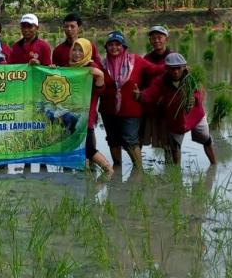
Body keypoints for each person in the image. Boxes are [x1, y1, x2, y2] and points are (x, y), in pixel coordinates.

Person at [134, 53, 216, 165]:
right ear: (167, 68)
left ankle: (214, 165)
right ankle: (176, 175)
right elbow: (151, 93)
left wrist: (194, 98)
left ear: (184, 67)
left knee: (206, 139)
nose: (176, 72)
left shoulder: (192, 77)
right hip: (176, 119)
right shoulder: (161, 81)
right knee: (174, 147)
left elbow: (200, 92)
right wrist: (139, 95)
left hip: (196, 116)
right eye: (172, 69)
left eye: (178, 68)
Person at [99, 31, 162, 168]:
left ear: (124, 47)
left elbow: (155, 70)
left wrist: (175, 66)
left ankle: (138, 171)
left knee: (130, 140)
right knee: (113, 140)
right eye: (110, 45)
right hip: (108, 110)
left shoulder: (135, 60)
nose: (114, 47)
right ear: (106, 47)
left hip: (131, 109)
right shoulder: (101, 65)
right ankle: (117, 167)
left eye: (117, 44)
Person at [69, 38, 113, 174]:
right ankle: (87, 176)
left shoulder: (92, 67)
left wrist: (99, 76)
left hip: (86, 115)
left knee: (88, 148)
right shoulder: (71, 67)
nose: (76, 54)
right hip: (72, 114)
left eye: (80, 51)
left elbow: (100, 90)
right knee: (80, 147)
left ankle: (108, 170)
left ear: (87, 52)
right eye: (74, 50)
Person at [139, 25, 170, 148]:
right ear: (150, 41)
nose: (156, 40)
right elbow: (142, 81)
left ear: (166, 39)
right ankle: (137, 166)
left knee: (169, 143)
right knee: (139, 138)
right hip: (150, 106)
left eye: (159, 37)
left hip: (167, 107)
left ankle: (172, 167)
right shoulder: (146, 58)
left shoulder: (173, 57)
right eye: (153, 38)